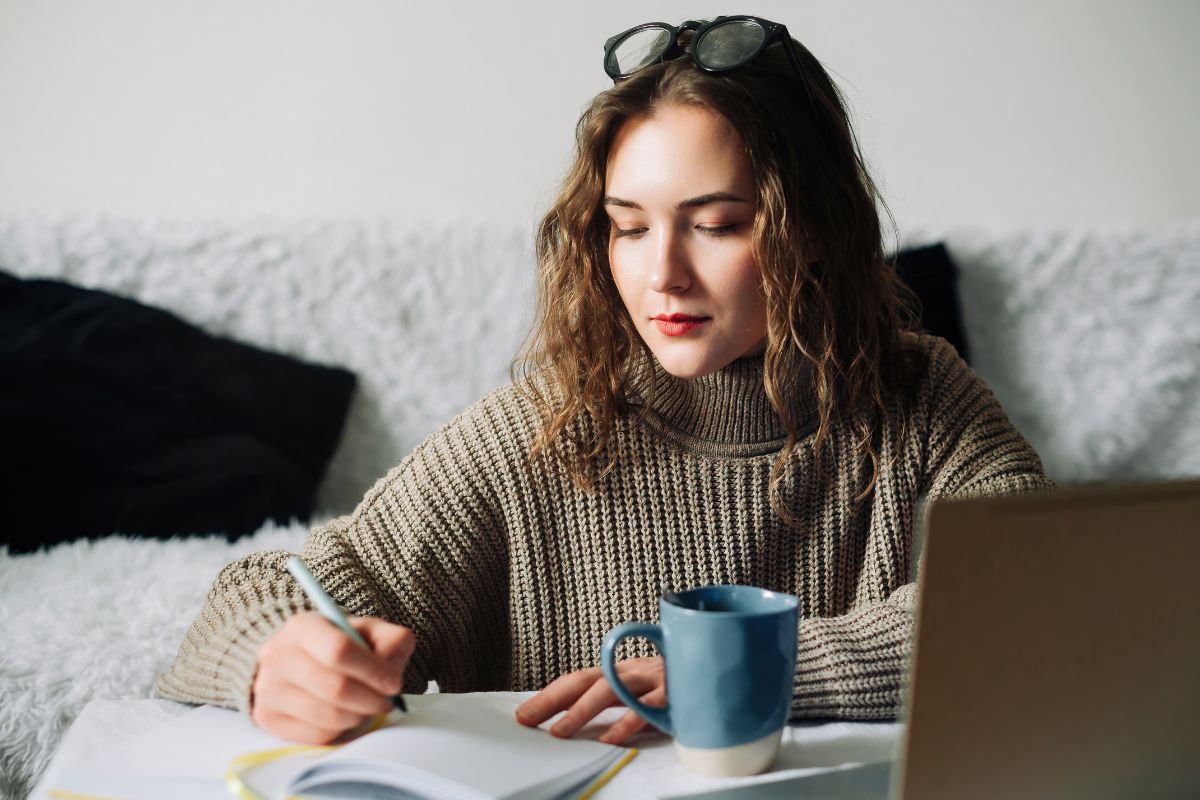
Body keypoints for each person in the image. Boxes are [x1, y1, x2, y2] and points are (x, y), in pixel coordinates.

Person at [156, 16, 1052, 747]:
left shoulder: (922, 399)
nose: (662, 273)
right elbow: (267, 586)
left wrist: (749, 672)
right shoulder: (544, 427)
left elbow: (1044, 603)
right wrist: (281, 660)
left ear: (808, 228)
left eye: (716, 225)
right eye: (628, 226)